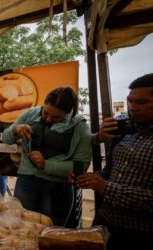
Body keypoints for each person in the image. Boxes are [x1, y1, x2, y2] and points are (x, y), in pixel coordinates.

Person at [75, 74, 153, 249]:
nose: (132, 108)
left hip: (141, 234)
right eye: (129, 101)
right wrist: (90, 179)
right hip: (105, 222)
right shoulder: (122, 129)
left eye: (141, 102)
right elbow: (112, 173)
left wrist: (105, 187)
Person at [2, 87, 92, 226]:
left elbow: (81, 165)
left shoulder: (80, 126)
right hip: (27, 182)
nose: (49, 119)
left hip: (58, 188)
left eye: (56, 117)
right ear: (43, 103)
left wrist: (46, 164)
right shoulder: (31, 113)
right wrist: (15, 130)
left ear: (68, 113)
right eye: (45, 113)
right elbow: (6, 139)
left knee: (52, 232)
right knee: (21, 229)